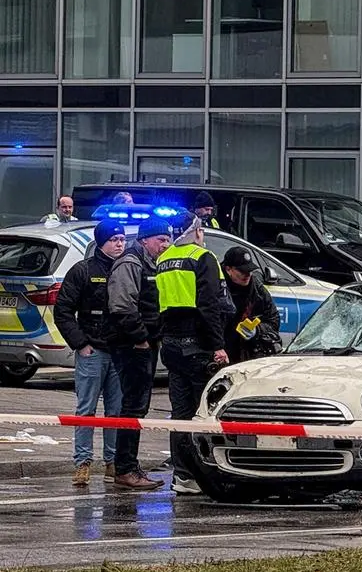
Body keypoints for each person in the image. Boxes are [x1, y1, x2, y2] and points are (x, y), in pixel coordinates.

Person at [156, 212, 231, 495]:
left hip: (172, 344)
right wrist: (218, 345)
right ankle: (206, 473)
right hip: (198, 344)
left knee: (180, 413)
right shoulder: (203, 258)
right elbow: (209, 306)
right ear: (197, 230)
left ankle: (183, 474)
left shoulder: (163, 260)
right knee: (205, 413)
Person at [53, 220, 125, 486]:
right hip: (92, 351)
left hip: (118, 351)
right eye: (114, 240)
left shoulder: (127, 268)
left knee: (116, 412)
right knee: (86, 410)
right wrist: (80, 343)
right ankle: (82, 463)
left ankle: (113, 463)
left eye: (121, 239)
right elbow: (63, 311)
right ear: (101, 242)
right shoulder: (83, 270)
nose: (119, 244)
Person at [106, 218, 173, 490]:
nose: (165, 245)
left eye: (168, 240)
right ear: (145, 240)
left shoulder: (149, 263)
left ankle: (128, 466)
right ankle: (125, 468)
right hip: (131, 345)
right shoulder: (131, 263)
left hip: (142, 343)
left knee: (137, 406)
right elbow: (122, 306)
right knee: (132, 406)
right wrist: (141, 338)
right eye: (161, 240)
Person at [221, 246, 281, 364]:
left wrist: (257, 330)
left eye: (249, 270)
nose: (247, 275)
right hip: (221, 351)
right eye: (242, 271)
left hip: (245, 352)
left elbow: (273, 320)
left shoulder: (256, 289)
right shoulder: (216, 286)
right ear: (228, 269)